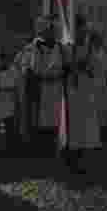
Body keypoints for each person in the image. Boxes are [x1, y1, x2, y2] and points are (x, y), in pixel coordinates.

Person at [59, 17, 104, 174]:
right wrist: (73, 66)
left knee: (84, 127)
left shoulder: (89, 48)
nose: (82, 33)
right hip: (72, 90)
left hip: (85, 90)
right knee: (73, 127)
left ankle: (81, 159)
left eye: (84, 30)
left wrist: (89, 62)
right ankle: (70, 158)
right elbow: (61, 67)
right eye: (79, 30)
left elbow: (96, 68)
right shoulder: (66, 48)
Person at [30, 18, 64, 157]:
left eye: (52, 31)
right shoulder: (38, 47)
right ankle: (44, 150)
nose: (50, 34)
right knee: (44, 121)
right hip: (44, 88)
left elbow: (63, 66)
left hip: (57, 88)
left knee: (56, 119)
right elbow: (35, 68)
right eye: (47, 31)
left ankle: (57, 148)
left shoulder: (59, 47)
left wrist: (57, 75)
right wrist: (45, 75)